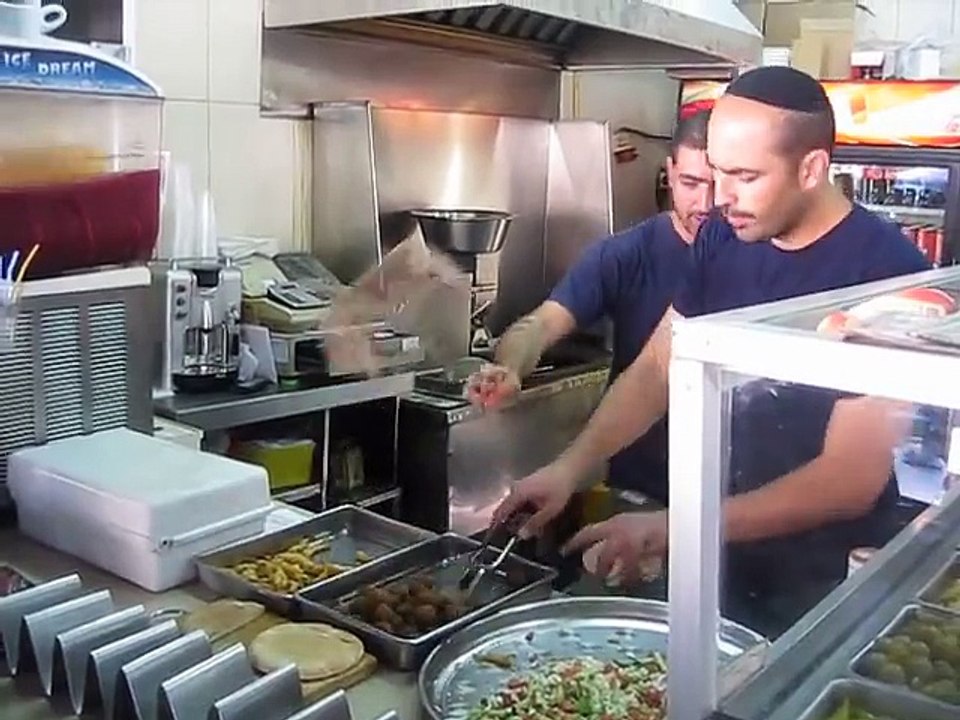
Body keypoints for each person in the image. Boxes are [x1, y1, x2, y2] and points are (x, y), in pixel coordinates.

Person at [495, 66, 931, 637]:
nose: (722, 198)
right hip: (718, 551)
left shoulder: (888, 276)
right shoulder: (724, 238)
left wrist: (677, 526)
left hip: (822, 574)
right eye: (717, 173)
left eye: (746, 176)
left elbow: (850, 478)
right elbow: (658, 367)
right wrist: (569, 469)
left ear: (812, 168)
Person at [466, 110, 714, 506]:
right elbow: (541, 324)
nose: (706, 203)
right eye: (691, 183)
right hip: (639, 487)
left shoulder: (749, 255)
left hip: (729, 491)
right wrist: (509, 367)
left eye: (719, 185)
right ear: (669, 171)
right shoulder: (624, 255)